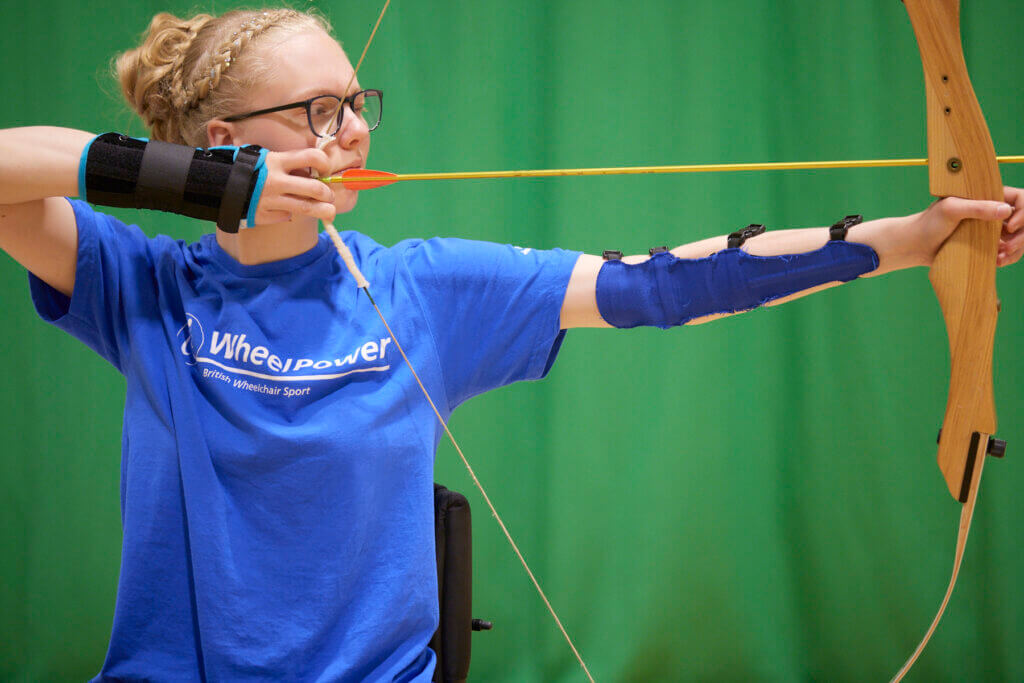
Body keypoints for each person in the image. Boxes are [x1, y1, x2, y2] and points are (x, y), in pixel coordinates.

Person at [0, 7, 1021, 682]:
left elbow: (660, 282)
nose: (353, 130)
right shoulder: (144, 286)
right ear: (223, 141)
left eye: (359, 103)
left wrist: (909, 240)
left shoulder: (419, 285)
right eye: (318, 110)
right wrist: (196, 189)